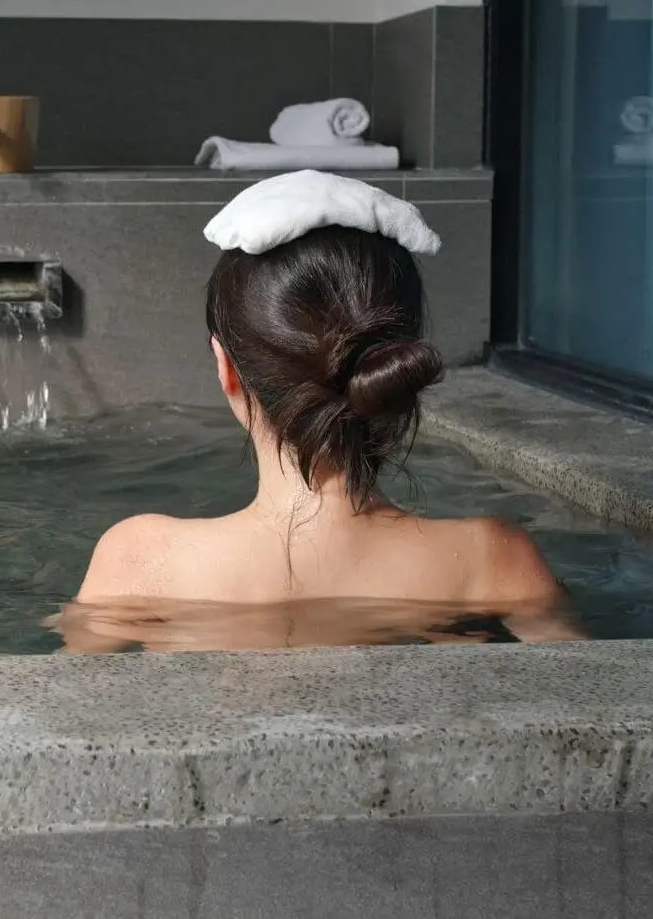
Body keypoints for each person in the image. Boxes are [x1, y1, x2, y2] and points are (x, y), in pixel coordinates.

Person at [56, 172, 581, 653]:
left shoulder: (141, 559)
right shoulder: (492, 560)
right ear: (394, 363)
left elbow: (53, 719)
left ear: (228, 370)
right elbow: (597, 705)